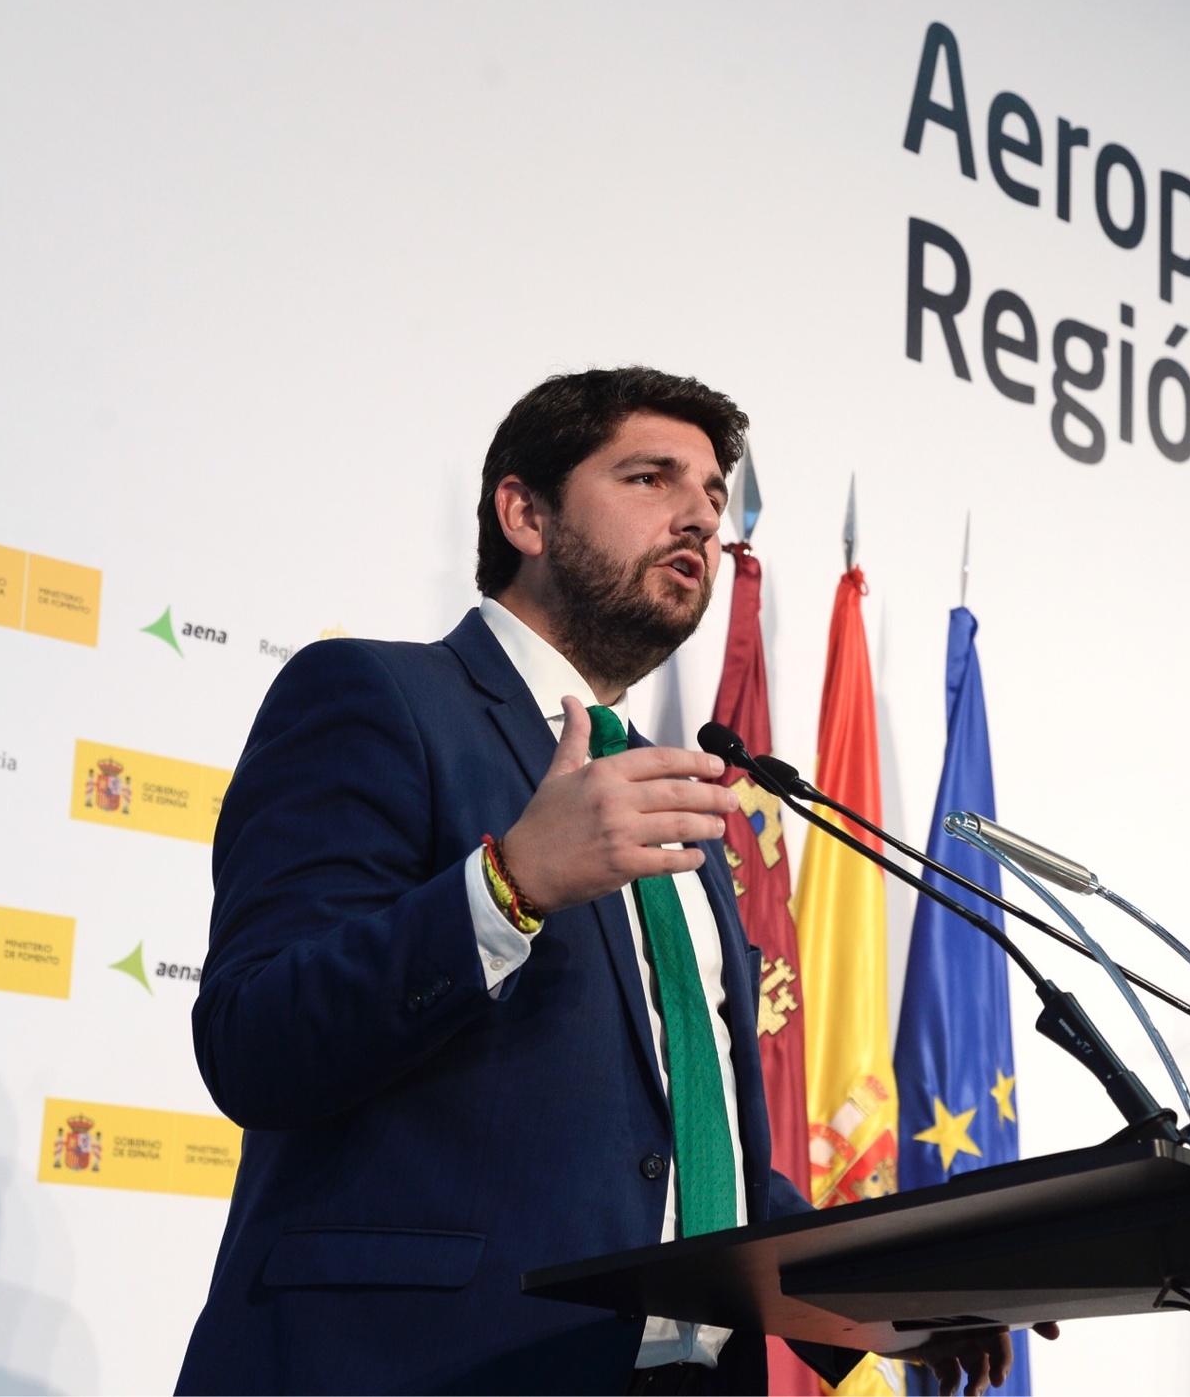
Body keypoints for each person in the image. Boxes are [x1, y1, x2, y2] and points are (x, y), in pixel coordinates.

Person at [177, 368, 1048, 1395]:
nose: (699, 517)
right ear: (525, 513)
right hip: (417, 1367)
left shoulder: (674, 792)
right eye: (650, 478)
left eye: (716, 496)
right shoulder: (376, 696)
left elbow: (689, 1145)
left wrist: (881, 1293)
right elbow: (254, 1038)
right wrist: (507, 885)